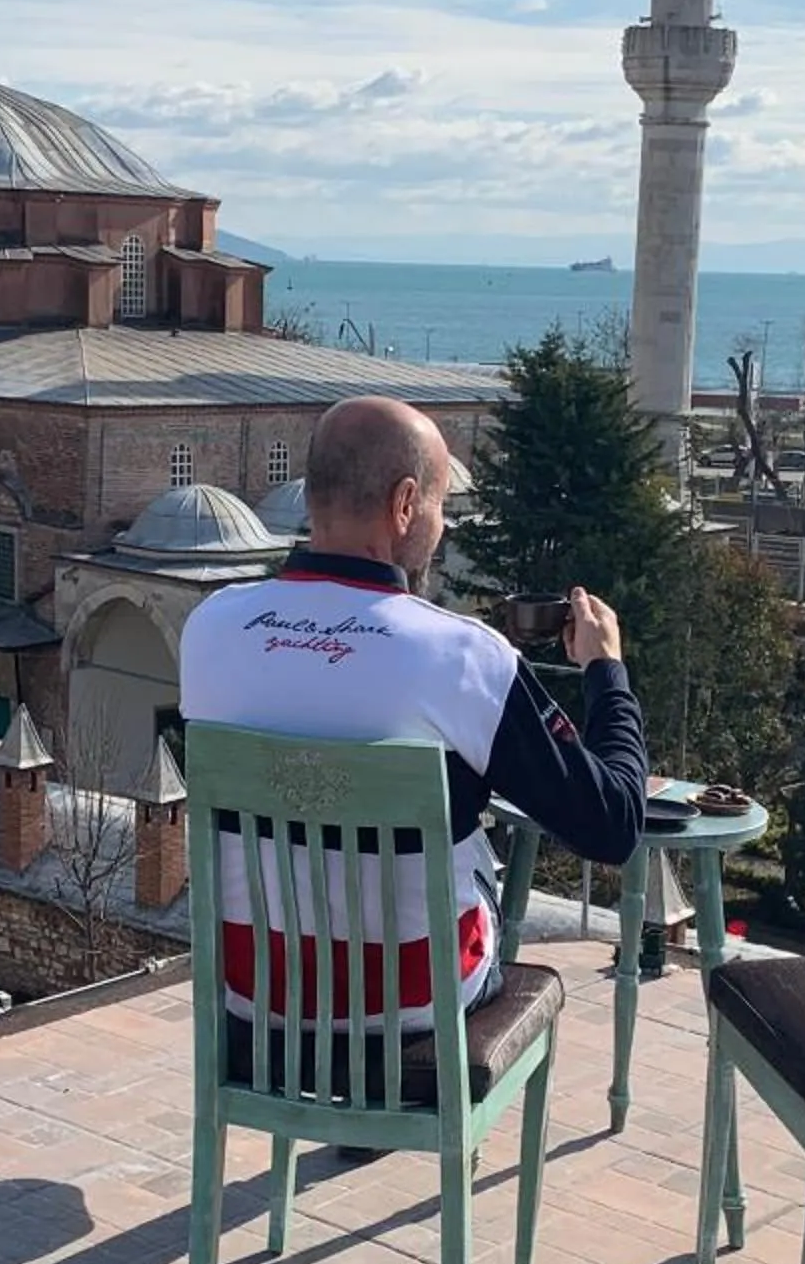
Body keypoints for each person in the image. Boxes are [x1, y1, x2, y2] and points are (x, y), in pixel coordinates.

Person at [179, 395, 646, 1028]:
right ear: (404, 504)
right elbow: (613, 823)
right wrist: (605, 670)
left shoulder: (210, 628)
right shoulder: (462, 657)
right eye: (438, 506)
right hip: (414, 1004)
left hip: (255, 995)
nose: (442, 526)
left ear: (313, 495)